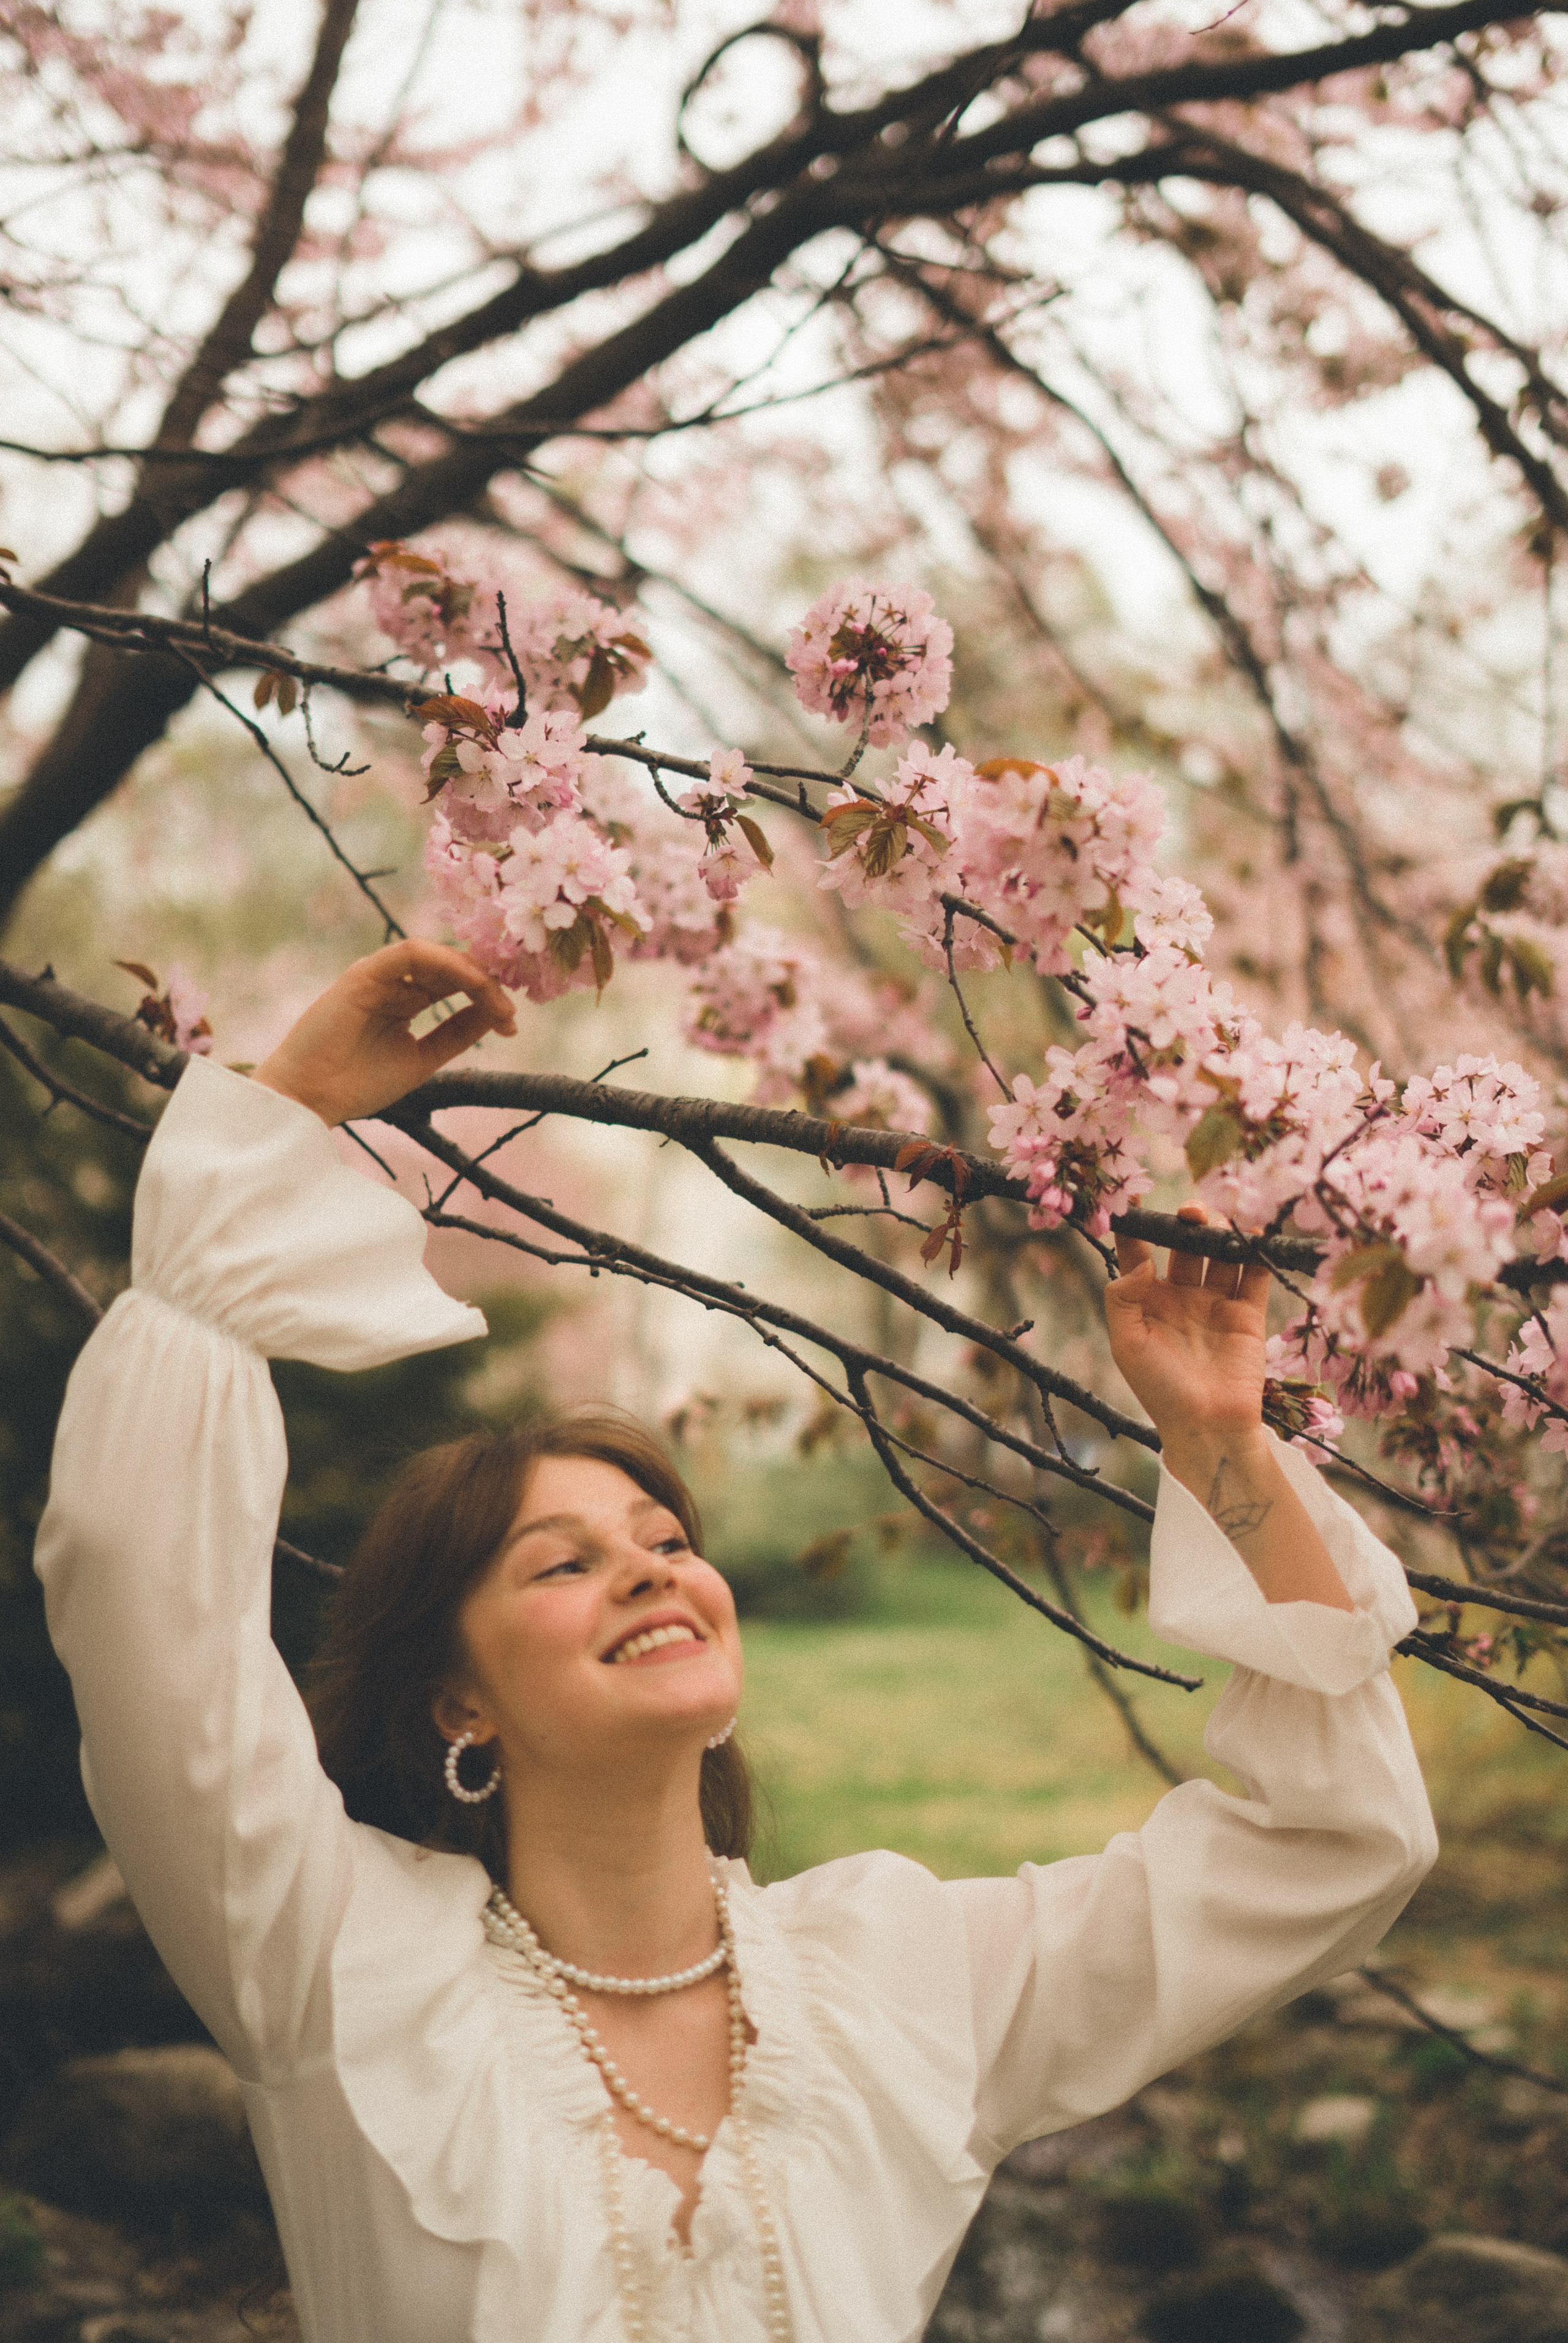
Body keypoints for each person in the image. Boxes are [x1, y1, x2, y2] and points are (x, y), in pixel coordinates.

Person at [36, 938, 1437, 2343]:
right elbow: (143, 1599)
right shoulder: (327, 1955)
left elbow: (1334, 1846)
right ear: (455, 1693)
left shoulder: (902, 1978)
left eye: (665, 1542)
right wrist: (279, 1120)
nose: (651, 1578)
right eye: (565, 1561)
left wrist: (1217, 1446)